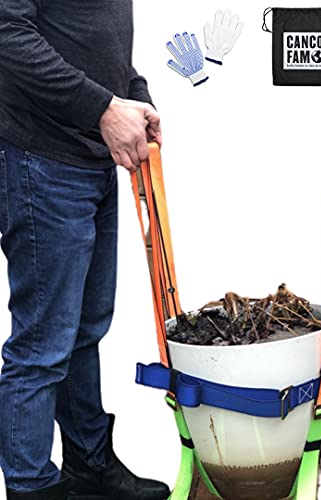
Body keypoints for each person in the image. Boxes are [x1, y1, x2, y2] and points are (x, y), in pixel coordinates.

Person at [0, 1, 169, 499]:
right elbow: (7, 34)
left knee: (83, 330)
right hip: (41, 158)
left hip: (90, 161)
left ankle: (88, 465)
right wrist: (102, 109)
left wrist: (134, 96)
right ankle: (31, 486)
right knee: (42, 344)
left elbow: (100, 43)